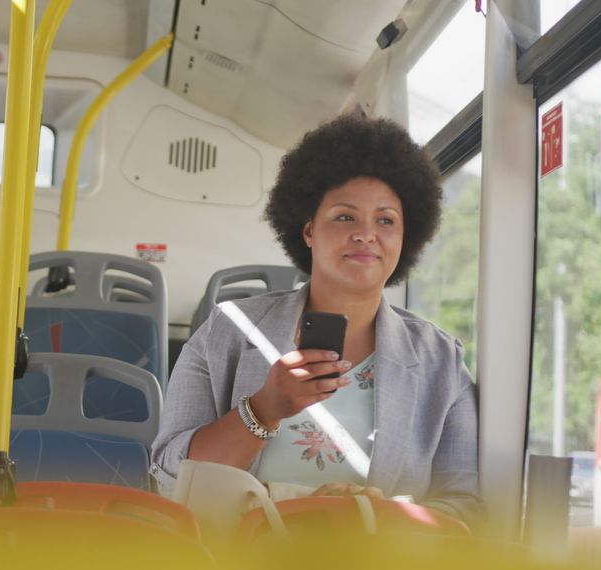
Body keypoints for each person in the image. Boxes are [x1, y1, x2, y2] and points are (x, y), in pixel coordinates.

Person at [150, 113, 481, 525]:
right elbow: (168, 476)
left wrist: (375, 516)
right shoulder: (227, 330)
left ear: (405, 237)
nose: (366, 234)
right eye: (345, 216)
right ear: (308, 230)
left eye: (386, 220)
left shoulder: (441, 362)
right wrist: (262, 410)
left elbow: (465, 509)